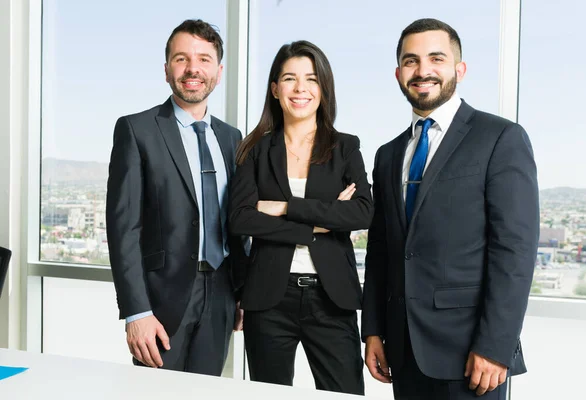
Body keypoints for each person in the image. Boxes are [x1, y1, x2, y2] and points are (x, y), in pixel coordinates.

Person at [361, 18, 539, 400]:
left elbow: (515, 252)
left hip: (472, 356)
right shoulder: (388, 154)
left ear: (459, 69)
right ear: (398, 73)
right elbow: (382, 250)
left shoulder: (500, 139)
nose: (423, 70)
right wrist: (373, 328)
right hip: (403, 351)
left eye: (436, 58)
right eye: (411, 61)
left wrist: (495, 345)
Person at [228, 40, 373, 395]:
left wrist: (283, 207)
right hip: (269, 300)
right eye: (289, 79)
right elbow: (242, 220)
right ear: (275, 89)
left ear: (323, 88)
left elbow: (362, 212)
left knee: (345, 393)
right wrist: (319, 224)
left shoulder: (345, 147)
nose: (300, 89)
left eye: (311, 79)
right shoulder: (255, 150)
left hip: (331, 298)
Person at [106, 19, 248, 376]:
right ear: (167, 69)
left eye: (203, 59)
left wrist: (243, 292)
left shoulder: (233, 138)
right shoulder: (137, 130)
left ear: (218, 70)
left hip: (221, 295)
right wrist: (136, 312)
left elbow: (238, 224)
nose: (192, 69)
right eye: (181, 58)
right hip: (161, 300)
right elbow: (124, 228)